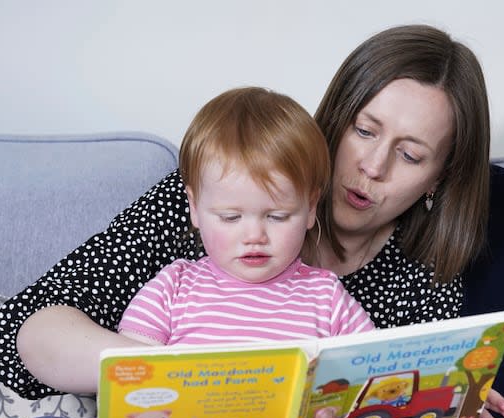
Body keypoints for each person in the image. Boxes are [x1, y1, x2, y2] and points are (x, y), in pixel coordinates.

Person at [0, 24, 504, 418]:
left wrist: (444, 389)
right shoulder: (216, 196)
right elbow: (16, 338)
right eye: (365, 130)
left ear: (441, 176)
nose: (372, 167)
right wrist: (166, 374)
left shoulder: (408, 288)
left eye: (410, 155)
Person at [117, 86, 374, 348]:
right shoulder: (173, 288)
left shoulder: (327, 297)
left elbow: (373, 368)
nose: (255, 237)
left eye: (277, 216)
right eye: (230, 217)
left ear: (310, 209)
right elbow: (130, 373)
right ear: (194, 208)